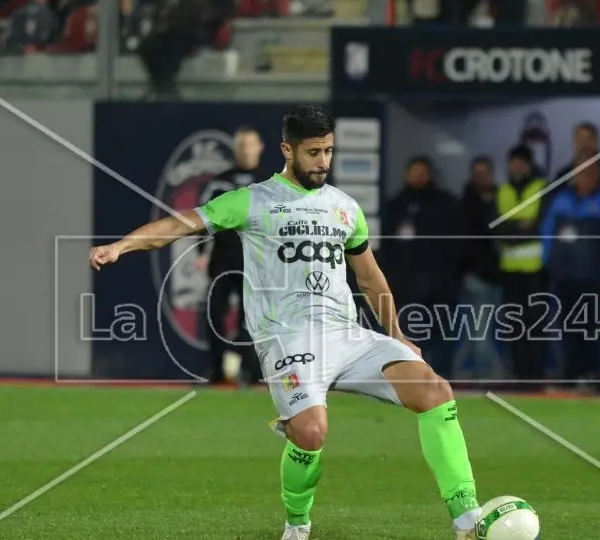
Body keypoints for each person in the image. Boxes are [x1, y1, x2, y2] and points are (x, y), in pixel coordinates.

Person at [89, 105, 483, 540]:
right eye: (313, 152)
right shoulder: (253, 201)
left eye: (329, 151)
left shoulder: (345, 208)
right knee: (312, 432)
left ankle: (467, 519)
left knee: (434, 390)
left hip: (347, 335)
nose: (323, 162)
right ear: (287, 150)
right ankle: (297, 526)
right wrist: (122, 247)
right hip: (286, 338)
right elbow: (181, 225)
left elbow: (369, 276)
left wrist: (398, 335)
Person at [379, 156, 461, 378]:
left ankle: (444, 381)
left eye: (422, 172)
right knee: (410, 337)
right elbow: (387, 247)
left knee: (443, 338)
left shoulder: (446, 204)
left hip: (441, 286)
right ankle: (412, 381)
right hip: (407, 287)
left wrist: (451, 276)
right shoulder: (396, 205)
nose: (418, 177)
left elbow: (458, 245)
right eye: (414, 172)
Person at [197, 126, 267, 387]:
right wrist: (202, 252)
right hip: (223, 260)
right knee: (215, 314)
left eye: (250, 145)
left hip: (257, 263)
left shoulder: (270, 182)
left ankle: (252, 373)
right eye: (241, 146)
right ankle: (217, 372)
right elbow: (202, 220)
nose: (246, 151)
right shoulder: (221, 182)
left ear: (260, 147)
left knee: (252, 320)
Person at [540, 154, 600, 386]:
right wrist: (548, 263)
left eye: (588, 170)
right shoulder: (562, 199)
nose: (582, 175)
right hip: (565, 277)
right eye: (579, 170)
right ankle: (570, 375)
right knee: (566, 328)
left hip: (591, 277)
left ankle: (590, 374)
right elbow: (547, 233)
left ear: (597, 173)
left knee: (590, 329)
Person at [495, 145, 548, 385]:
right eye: (512, 161)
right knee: (514, 322)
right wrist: (521, 227)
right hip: (509, 269)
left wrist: (512, 228)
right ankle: (519, 373)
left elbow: (539, 226)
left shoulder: (540, 187)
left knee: (535, 321)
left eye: (520, 162)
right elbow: (497, 227)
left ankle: (535, 373)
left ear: (528, 164)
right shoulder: (503, 190)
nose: (516, 166)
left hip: (534, 268)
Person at [457, 156, 505, 379]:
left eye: (485, 173)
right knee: (480, 330)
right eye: (477, 173)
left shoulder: (501, 198)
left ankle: (485, 372)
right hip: (476, 276)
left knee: (486, 330)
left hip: (502, 274)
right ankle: (484, 374)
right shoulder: (466, 203)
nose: (481, 177)